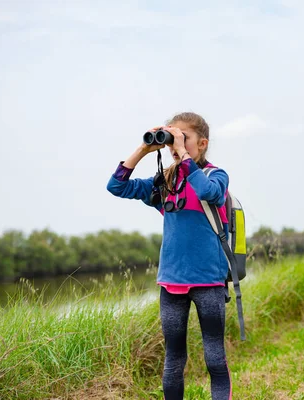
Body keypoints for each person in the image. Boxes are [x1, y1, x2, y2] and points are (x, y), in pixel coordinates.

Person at [106, 112, 232, 400]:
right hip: (171, 282)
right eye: (173, 138)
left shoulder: (216, 175)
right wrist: (144, 148)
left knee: (214, 356)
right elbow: (117, 187)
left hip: (209, 281)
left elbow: (207, 192)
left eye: (183, 138)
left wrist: (184, 158)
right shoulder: (166, 181)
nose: (177, 144)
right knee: (174, 359)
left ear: (202, 144)